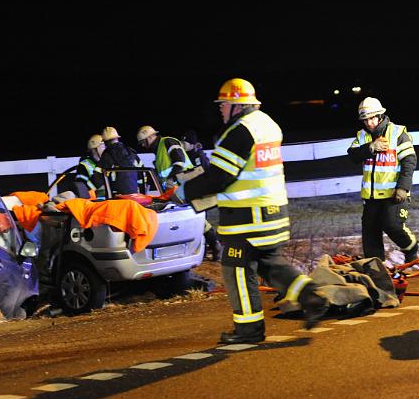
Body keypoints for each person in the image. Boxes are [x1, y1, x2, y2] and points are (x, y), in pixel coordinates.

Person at [175, 78, 329, 344]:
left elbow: (220, 177)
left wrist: (185, 192)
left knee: (235, 268)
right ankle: (311, 296)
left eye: (223, 104)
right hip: (274, 211)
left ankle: (248, 330)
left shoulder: (239, 131)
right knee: (269, 263)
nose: (221, 110)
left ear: (236, 104)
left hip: (247, 218)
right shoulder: (267, 124)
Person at [347, 97, 419, 262]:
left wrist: (403, 187)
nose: (369, 123)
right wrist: (370, 147)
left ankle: (411, 248)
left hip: (394, 193)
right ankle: (376, 266)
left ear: (380, 115)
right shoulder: (362, 136)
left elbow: (409, 161)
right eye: (365, 120)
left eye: (372, 118)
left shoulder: (398, 133)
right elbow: (353, 155)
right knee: (370, 232)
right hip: (371, 196)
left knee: (393, 226)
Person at [180, 129, 221, 261]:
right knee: (200, 223)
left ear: (191, 144)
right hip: (194, 194)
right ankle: (207, 249)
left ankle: (215, 246)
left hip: (203, 196)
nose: (182, 144)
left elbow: (207, 175)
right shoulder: (188, 156)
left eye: (184, 142)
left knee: (202, 223)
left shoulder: (200, 157)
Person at [136, 125, 193, 190]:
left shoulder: (167, 141)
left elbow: (180, 161)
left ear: (150, 137)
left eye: (143, 142)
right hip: (177, 188)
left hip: (187, 183)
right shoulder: (158, 151)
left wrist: (171, 179)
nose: (143, 145)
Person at [98, 126, 143, 195]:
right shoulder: (130, 152)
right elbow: (142, 173)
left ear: (105, 142)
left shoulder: (107, 154)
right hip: (134, 194)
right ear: (117, 138)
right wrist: (141, 191)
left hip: (116, 196)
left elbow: (98, 176)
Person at [74, 134, 106, 198]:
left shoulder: (108, 163)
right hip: (96, 203)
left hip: (111, 202)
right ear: (95, 149)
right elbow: (81, 190)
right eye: (103, 146)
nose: (106, 149)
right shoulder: (84, 166)